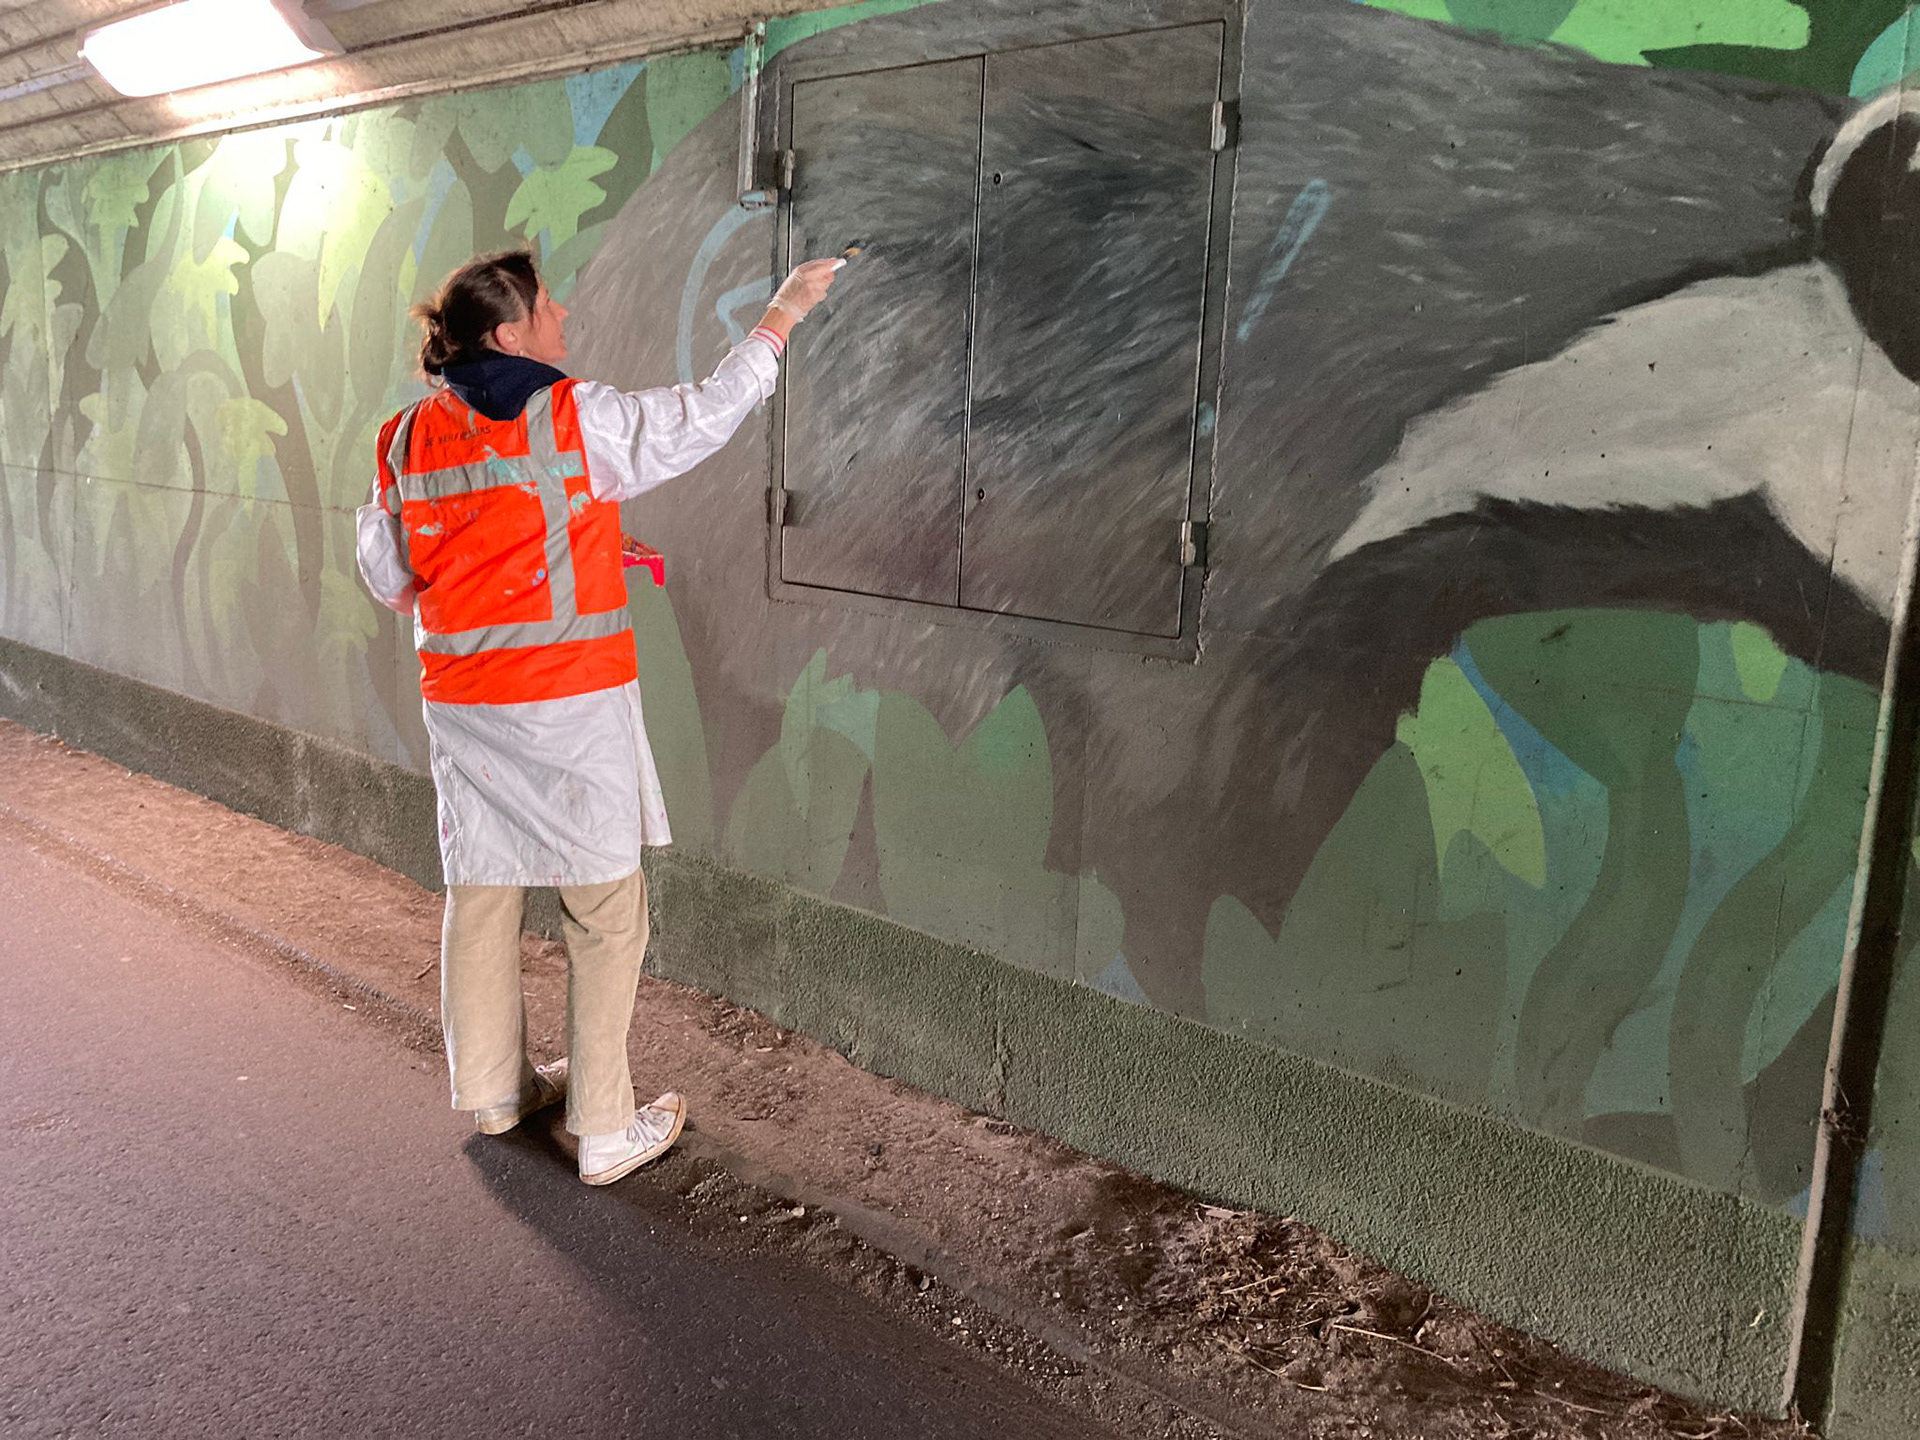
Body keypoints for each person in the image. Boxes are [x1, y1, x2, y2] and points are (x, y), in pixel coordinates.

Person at [355, 248, 841, 1184]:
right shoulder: (576, 416)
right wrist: (780, 316)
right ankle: (607, 1129)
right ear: (509, 333)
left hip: (464, 707)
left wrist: (559, 547)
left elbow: (395, 579)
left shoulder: (402, 439)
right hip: (568, 704)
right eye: (547, 306)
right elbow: (701, 416)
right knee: (606, 907)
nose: (562, 312)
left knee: (485, 890)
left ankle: (497, 1093)